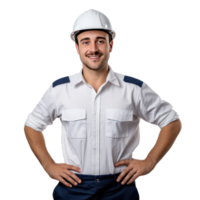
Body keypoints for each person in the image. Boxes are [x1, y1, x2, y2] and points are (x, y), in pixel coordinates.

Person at [22, 8, 183, 200]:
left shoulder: (134, 89)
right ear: (77, 49)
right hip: (72, 188)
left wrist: (150, 162)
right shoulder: (58, 90)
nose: (93, 49)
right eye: (86, 42)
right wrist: (48, 165)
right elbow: (31, 124)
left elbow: (172, 121)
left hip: (121, 188)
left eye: (100, 40)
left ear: (111, 45)